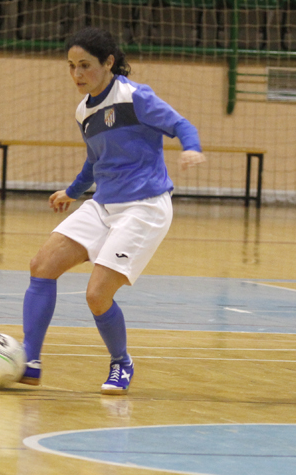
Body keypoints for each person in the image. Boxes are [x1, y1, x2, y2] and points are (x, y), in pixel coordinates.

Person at [19, 27, 205, 395]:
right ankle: (29, 361)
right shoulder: (82, 111)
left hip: (145, 206)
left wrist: (191, 147)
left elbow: (180, 123)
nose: (77, 74)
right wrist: (71, 192)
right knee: (42, 266)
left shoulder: (135, 96)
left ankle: (121, 362)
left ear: (108, 62)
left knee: (97, 295)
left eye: (85, 65)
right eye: (71, 66)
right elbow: (94, 160)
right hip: (104, 203)